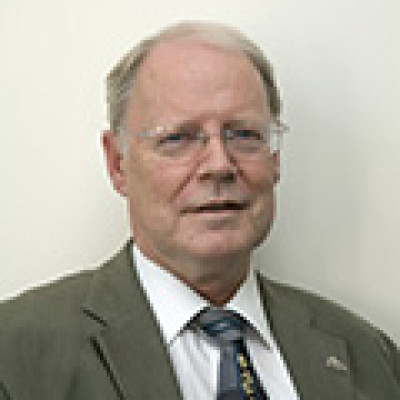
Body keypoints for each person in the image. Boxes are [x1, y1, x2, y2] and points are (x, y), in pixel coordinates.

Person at [0, 21, 399, 400]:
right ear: (118, 163)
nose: (219, 165)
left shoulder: (370, 356)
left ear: (275, 159)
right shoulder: (16, 355)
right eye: (178, 138)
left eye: (244, 134)